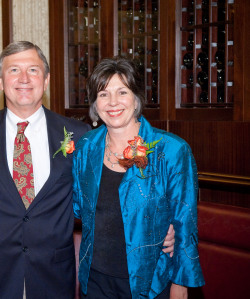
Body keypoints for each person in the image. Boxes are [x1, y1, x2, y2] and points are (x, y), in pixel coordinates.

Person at [0, 42, 173, 298]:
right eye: (14, 70)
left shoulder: (80, 137)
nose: (24, 78)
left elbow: (107, 196)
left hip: (53, 277)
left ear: (46, 80)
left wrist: (163, 224)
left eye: (33, 70)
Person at [72, 56, 205, 298]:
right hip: (96, 281)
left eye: (122, 92)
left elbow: (185, 225)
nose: (112, 102)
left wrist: (181, 285)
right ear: (95, 103)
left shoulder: (172, 151)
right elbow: (76, 208)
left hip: (153, 282)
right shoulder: (86, 148)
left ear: (136, 99)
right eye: (103, 94)